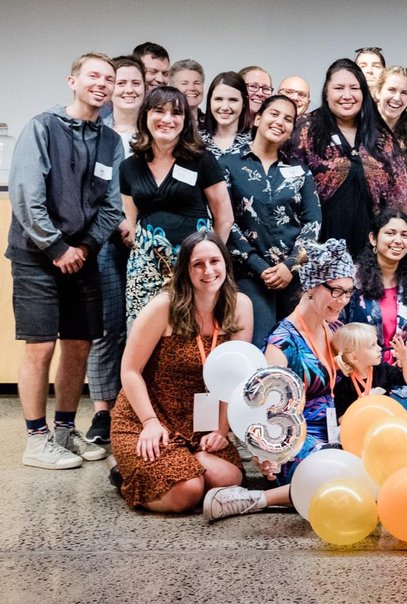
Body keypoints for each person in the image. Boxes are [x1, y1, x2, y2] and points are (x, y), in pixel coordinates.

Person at [8, 52, 123, 468]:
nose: (102, 83)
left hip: (83, 255)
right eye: (93, 75)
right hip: (37, 256)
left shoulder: (112, 142)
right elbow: (26, 197)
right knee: (41, 346)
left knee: (79, 345)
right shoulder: (43, 127)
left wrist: (86, 248)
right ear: (72, 81)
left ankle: (64, 430)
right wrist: (57, 248)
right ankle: (36, 439)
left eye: (109, 78)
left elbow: (111, 207)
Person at [203, 238, 356, 521]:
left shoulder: (331, 326)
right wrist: (265, 454)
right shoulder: (282, 342)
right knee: (341, 480)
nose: (343, 300)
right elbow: (260, 409)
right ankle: (255, 499)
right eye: (336, 290)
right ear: (311, 287)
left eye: (348, 292)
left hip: (331, 433)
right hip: (294, 441)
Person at [110, 231, 252, 512]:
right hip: (150, 418)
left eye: (214, 261)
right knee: (187, 491)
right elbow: (129, 371)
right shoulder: (164, 307)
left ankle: (178, 465)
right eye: (197, 264)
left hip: (200, 422)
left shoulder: (240, 306)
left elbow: (234, 377)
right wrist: (150, 422)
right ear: (185, 270)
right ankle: (128, 473)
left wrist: (221, 429)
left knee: (230, 478)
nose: (208, 270)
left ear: (226, 263)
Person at [121, 86, 233, 325]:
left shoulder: (201, 159)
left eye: (176, 113)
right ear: (145, 116)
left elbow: (224, 217)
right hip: (146, 269)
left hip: (194, 268)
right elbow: (131, 224)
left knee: (191, 335)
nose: (167, 119)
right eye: (159, 111)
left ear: (186, 120)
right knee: (143, 335)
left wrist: (211, 261)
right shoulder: (129, 167)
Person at [220, 94, 320, 347]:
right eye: (274, 114)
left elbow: (313, 223)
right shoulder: (228, 164)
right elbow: (224, 220)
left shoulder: (299, 170)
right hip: (248, 275)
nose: (280, 122)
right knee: (255, 347)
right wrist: (257, 265)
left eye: (288, 119)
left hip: (294, 276)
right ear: (257, 118)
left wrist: (290, 265)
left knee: (295, 350)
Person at [286, 58, 407, 258]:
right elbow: (285, 194)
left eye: (354, 88)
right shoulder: (304, 130)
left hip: (371, 255)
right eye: (339, 88)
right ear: (326, 92)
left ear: (364, 93)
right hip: (314, 252)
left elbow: (400, 199)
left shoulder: (381, 137)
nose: (347, 95)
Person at [86, 55, 144, 444]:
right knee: (106, 325)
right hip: (106, 240)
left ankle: (138, 407)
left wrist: (138, 228)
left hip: (145, 241)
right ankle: (103, 413)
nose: (127, 90)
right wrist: (121, 224)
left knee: (141, 324)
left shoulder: (155, 127)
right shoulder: (95, 131)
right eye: (120, 82)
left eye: (134, 83)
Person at [342, 210, 407, 394]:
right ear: (373, 238)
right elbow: (338, 329)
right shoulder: (351, 279)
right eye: (390, 233)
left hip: (404, 378)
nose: (398, 240)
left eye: (404, 235)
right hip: (359, 378)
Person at [332, 322, 407, 414]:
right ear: (354, 358)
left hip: (383, 420)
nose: (380, 348)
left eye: (376, 343)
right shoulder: (343, 383)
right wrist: (359, 408)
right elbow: (341, 418)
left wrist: (405, 360)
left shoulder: (382, 369)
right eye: (372, 346)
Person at [375, 66, 407, 184]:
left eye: (404, 93)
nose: (397, 98)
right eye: (392, 90)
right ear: (378, 92)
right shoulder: (358, 133)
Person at [199, 71, 252, 157]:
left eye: (233, 100)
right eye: (218, 99)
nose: (225, 107)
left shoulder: (254, 142)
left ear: (244, 103)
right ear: (210, 100)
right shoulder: (195, 141)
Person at [168, 59, 205, 123]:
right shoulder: (165, 122)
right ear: (172, 88)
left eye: (197, 83)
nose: (192, 88)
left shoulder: (213, 125)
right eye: (184, 83)